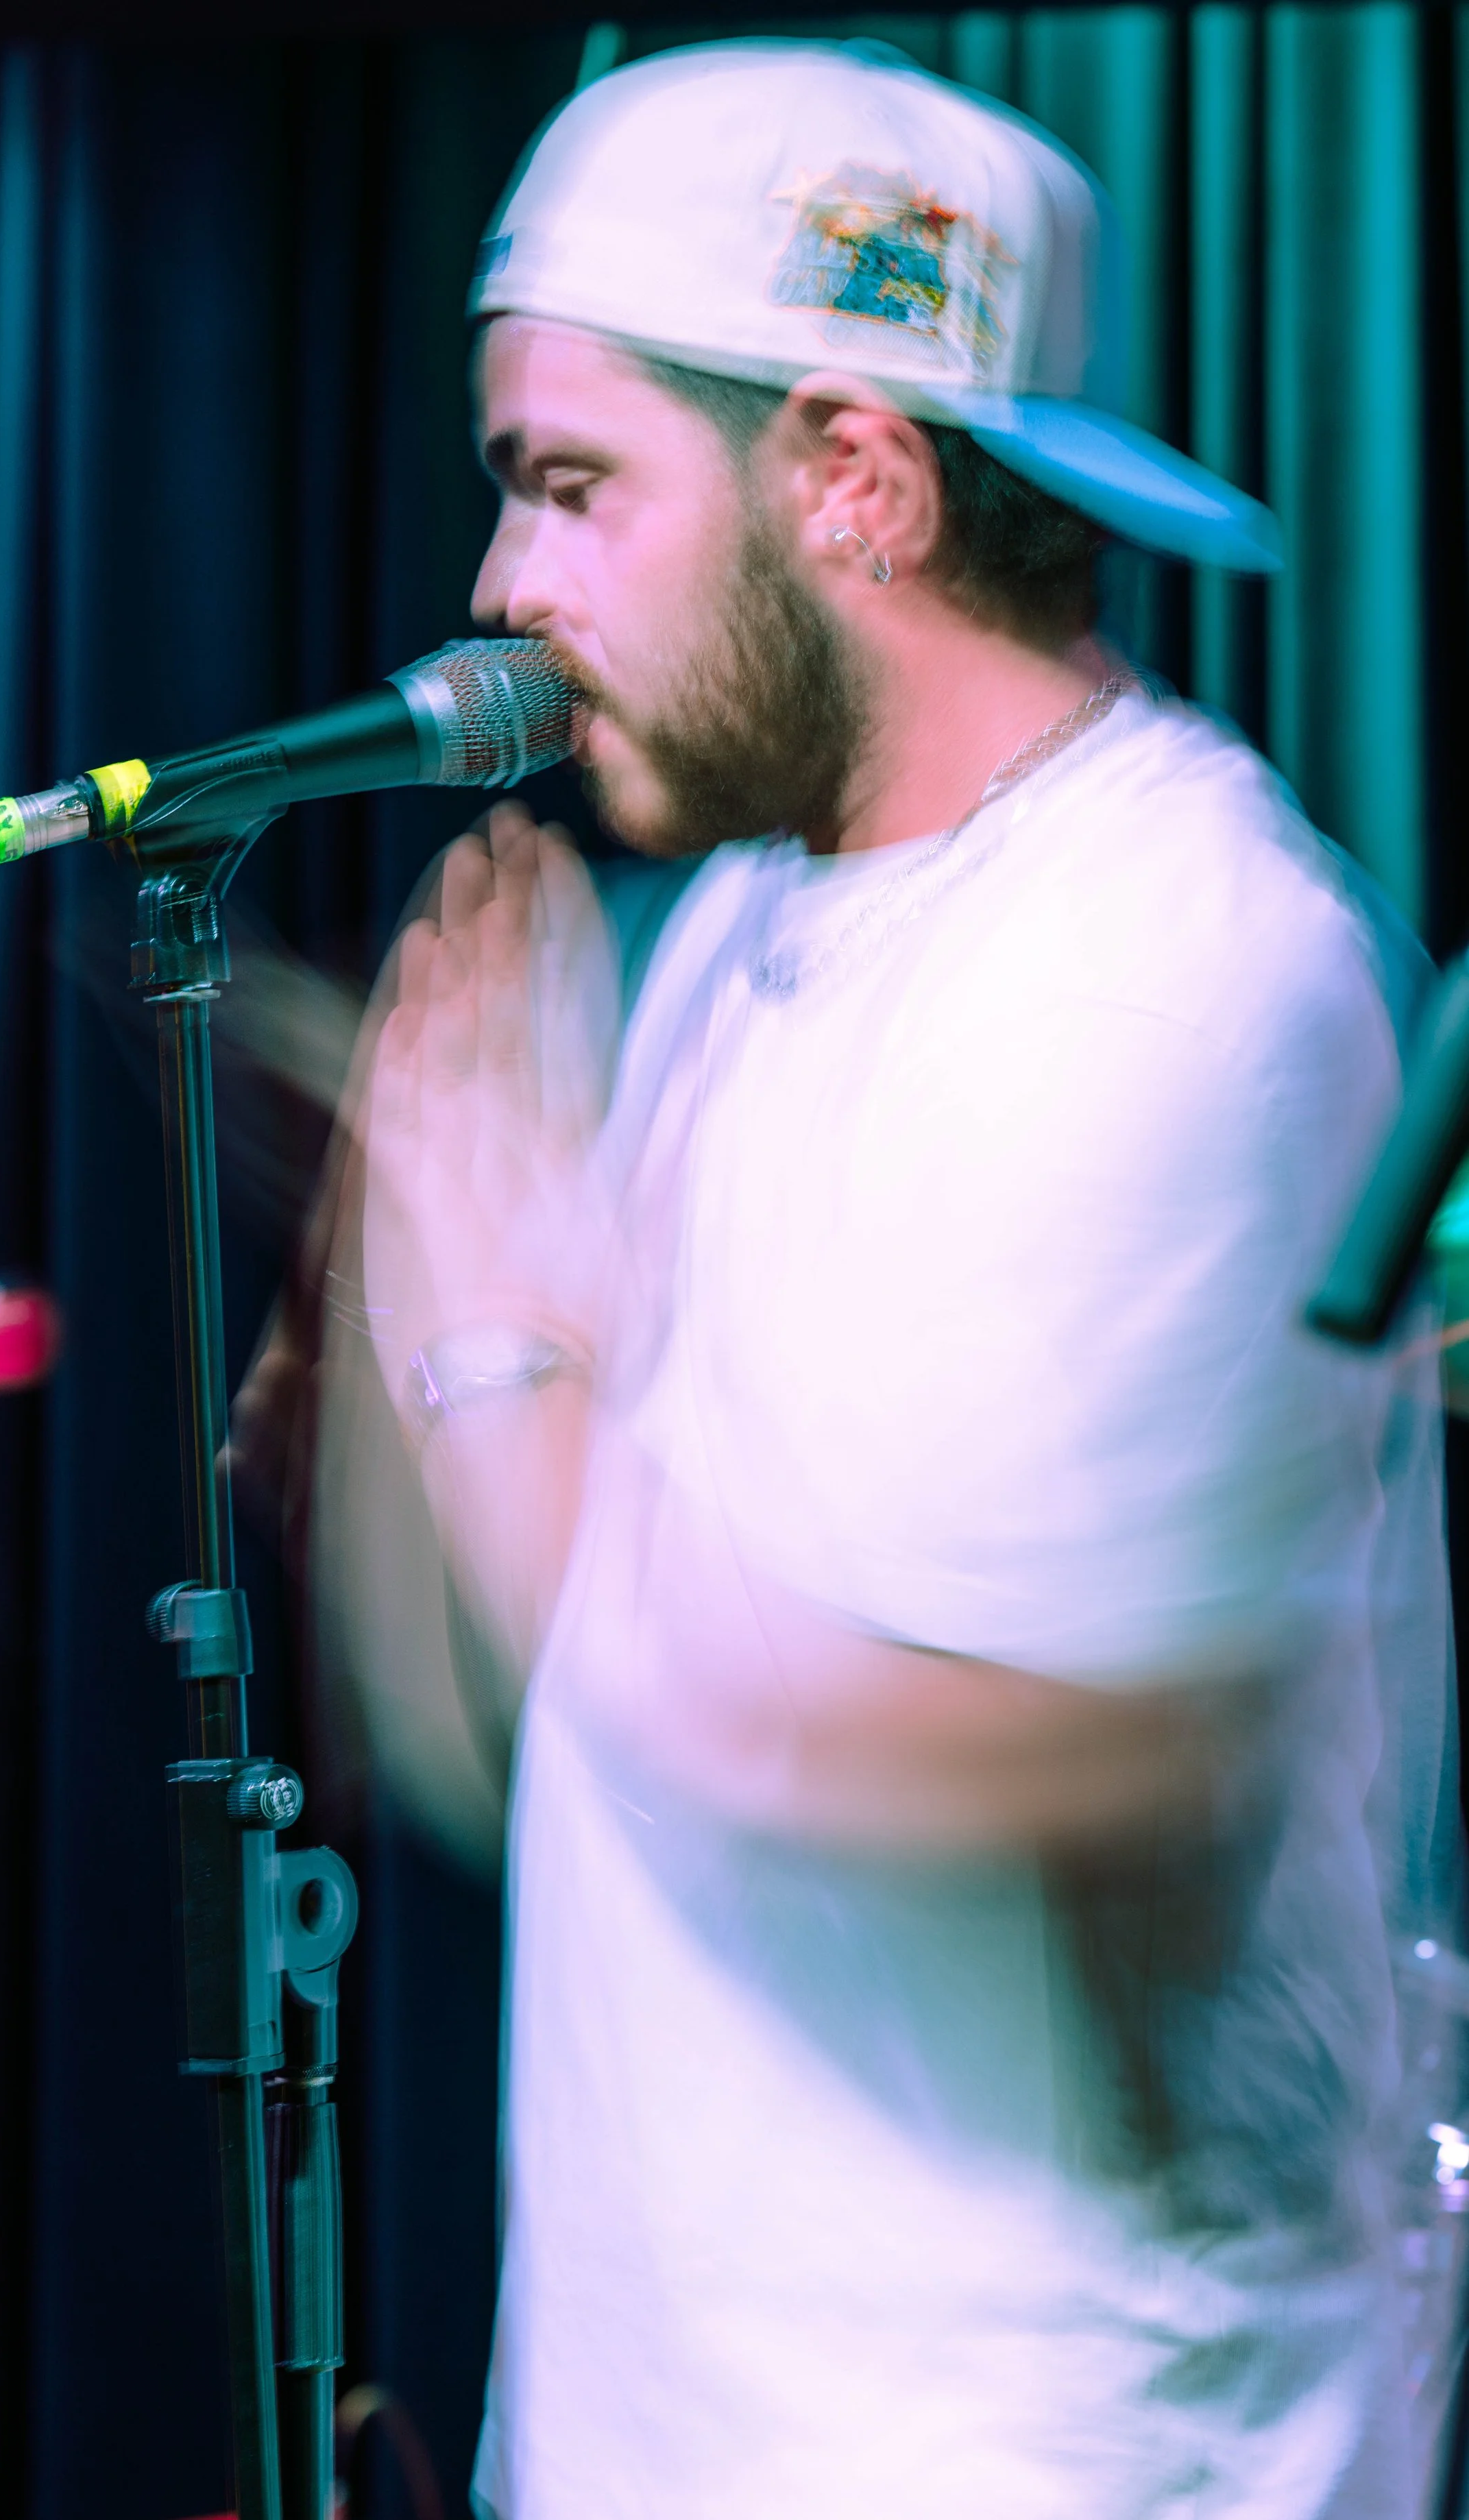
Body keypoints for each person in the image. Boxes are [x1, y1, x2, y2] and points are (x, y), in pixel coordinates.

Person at [347, 39, 1460, 2519]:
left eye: (566, 487)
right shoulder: (749, 918)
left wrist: (486, 1358)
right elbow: (598, 1665)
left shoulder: (1176, 974)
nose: (501, 593)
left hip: (1048, 2458)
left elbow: (998, 1744)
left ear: (850, 475)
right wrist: (419, 1356)